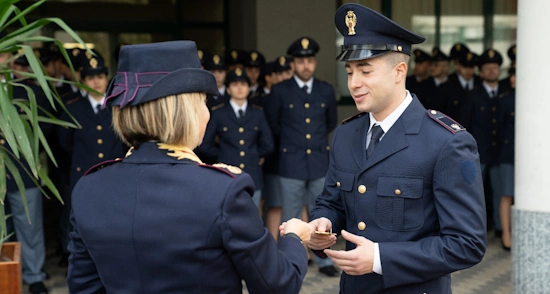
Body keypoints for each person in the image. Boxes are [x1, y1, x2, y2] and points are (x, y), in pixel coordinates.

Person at [66, 40, 312, 293]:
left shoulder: (89, 188)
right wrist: (294, 237)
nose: (207, 113)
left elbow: (83, 287)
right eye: (203, 103)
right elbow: (277, 284)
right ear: (186, 112)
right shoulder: (223, 190)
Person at [307, 4, 487, 293]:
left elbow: (467, 244)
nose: (354, 83)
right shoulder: (346, 134)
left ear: (399, 71)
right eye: (350, 71)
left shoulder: (446, 142)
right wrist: (322, 224)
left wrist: (380, 258)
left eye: (365, 71)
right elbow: (332, 200)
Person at [265, 36, 339, 277]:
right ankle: (290, 259)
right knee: (291, 215)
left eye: (309, 60)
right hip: (291, 162)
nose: (305, 65)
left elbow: (330, 122)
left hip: (318, 161)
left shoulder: (326, 90)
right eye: (300, 61)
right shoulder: (279, 91)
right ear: (293, 64)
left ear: (315, 62)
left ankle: (324, 260)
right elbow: (273, 125)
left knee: (321, 214)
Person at [2, 48, 53, 294]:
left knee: (30, 225)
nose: (2, 60)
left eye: (4, 54)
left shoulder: (27, 90)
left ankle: (34, 276)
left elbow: (45, 127)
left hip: (23, 169)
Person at [200, 68, 274, 208]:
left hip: (252, 173)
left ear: (249, 88)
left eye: (243, 84)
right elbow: (205, 144)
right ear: (228, 89)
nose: (239, 88)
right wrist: (223, 156)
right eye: (234, 84)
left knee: (253, 217)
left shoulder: (258, 113)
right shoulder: (219, 113)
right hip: (226, 173)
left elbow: (268, 144)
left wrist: (255, 156)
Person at [462, 48, 510, 238]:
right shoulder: (473, 96)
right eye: (487, 68)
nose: (492, 71)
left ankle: (500, 228)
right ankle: (475, 229)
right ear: (480, 72)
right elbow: (464, 126)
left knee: (500, 193)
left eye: (495, 67)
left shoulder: (506, 94)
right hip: (478, 153)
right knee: (474, 194)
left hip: (499, 154)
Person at [499, 64, 516, 251]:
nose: (512, 78)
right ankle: (506, 234)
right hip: (507, 153)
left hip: (531, 157)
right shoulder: (505, 101)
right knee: (506, 194)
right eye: (511, 74)